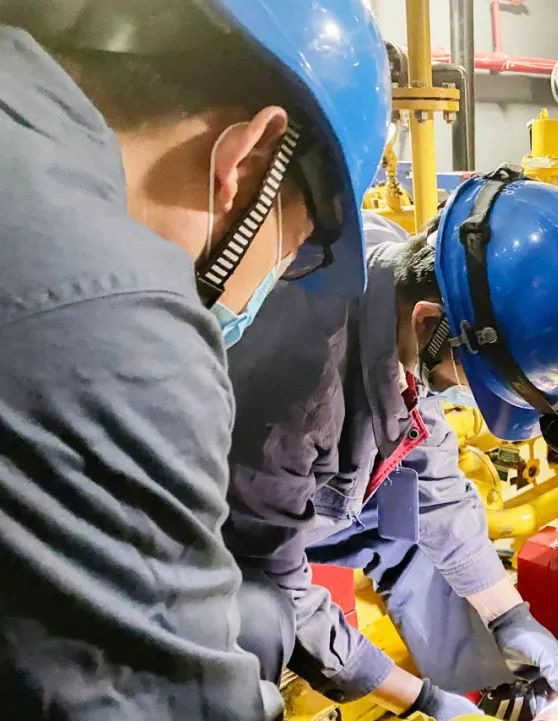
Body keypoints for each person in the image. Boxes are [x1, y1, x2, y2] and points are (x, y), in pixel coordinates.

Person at [0, 0, 389, 717]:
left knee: (257, 618)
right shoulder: (124, 321)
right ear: (252, 158)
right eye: (295, 251)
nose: (272, 283)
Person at [225, 165, 558, 720]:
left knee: (415, 534)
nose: (460, 395)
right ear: (428, 323)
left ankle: (492, 691)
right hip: (210, 535)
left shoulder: (404, 280)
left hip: (295, 485)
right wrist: (421, 699)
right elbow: (277, 581)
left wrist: (509, 616)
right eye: (470, 380)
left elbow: (427, 472)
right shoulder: (296, 385)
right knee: (258, 618)